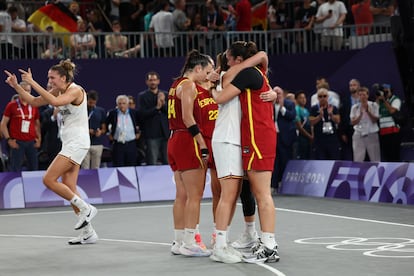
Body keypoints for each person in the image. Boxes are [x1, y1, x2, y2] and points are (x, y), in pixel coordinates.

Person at [3, 59, 98, 244]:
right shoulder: (59, 89)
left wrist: (31, 82)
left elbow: (53, 101)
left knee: (48, 179)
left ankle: (86, 209)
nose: (50, 80)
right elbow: (34, 101)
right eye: (48, 77)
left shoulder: (75, 90)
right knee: (69, 186)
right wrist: (16, 86)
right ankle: (89, 233)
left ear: (63, 77)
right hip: (70, 143)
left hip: (77, 143)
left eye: (52, 77)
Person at [212, 41, 280, 263]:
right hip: (252, 138)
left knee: (262, 194)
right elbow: (263, 60)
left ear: (239, 60)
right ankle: (259, 238)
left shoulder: (246, 74)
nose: (227, 62)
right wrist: (261, 56)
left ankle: (269, 245)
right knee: (252, 193)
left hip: (258, 138)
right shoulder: (254, 73)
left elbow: (220, 98)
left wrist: (213, 87)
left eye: (229, 59)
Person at [168, 50, 214, 257]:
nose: (209, 75)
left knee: (182, 195)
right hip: (187, 140)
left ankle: (178, 242)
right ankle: (189, 242)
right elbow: (188, 118)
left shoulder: (175, 84)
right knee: (195, 196)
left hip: (174, 140)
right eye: (208, 71)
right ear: (198, 69)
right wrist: (202, 143)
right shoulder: (188, 85)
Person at [1, 81, 41, 172]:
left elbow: (37, 124)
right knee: (15, 169)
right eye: (24, 90)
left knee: (34, 169)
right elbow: (3, 124)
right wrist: (8, 140)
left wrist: (39, 139)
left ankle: (33, 186)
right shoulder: (11, 105)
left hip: (31, 142)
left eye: (29, 91)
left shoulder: (34, 105)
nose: (27, 93)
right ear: (19, 91)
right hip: (17, 143)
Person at [137, 71, 169, 165]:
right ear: (147, 82)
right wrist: (156, 108)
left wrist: (163, 104)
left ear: (158, 81)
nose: (153, 82)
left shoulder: (165, 95)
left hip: (165, 133)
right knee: (152, 161)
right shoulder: (143, 96)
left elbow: (171, 112)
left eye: (155, 80)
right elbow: (142, 114)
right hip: (151, 135)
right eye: (150, 80)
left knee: (167, 161)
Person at [272, 88, 297, 194]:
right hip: (273, 137)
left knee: (284, 161)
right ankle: (273, 185)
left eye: (279, 93)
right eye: (275, 93)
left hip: (285, 138)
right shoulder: (269, 104)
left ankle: (283, 183)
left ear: (283, 94)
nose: (277, 95)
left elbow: (292, 116)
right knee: (274, 162)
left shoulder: (289, 104)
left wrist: (282, 108)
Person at [106, 95, 141, 167]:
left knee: (131, 165)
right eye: (120, 103)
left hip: (131, 144)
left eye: (124, 103)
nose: (122, 105)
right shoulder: (112, 113)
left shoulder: (134, 113)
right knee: (118, 166)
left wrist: (139, 133)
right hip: (118, 144)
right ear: (117, 104)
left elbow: (141, 123)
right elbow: (106, 124)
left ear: (128, 104)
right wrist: (108, 134)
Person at [309, 87, 341, 160]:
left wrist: (331, 115)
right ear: (317, 98)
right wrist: (319, 116)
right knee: (320, 159)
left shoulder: (333, 108)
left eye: (324, 96)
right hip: (319, 139)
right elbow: (311, 122)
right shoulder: (314, 109)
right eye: (320, 96)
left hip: (332, 139)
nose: (322, 98)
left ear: (328, 97)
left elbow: (338, 121)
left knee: (333, 159)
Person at [350, 86, 380, 162]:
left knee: (375, 158)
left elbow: (375, 120)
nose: (362, 97)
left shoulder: (374, 105)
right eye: (360, 95)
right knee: (358, 158)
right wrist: (360, 115)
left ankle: (377, 172)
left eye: (364, 95)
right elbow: (353, 122)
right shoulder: (355, 107)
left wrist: (368, 111)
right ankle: (358, 173)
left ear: (367, 95)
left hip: (371, 134)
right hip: (359, 134)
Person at [81, 90, 107, 169]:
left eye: (94, 103)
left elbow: (104, 128)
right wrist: (86, 131)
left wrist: (100, 132)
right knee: (85, 168)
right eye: (90, 103)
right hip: (84, 144)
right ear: (86, 100)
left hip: (97, 144)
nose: (92, 105)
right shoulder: (81, 110)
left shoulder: (100, 111)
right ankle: (86, 182)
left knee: (96, 168)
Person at [376, 83, 401, 162]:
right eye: (384, 91)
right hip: (383, 132)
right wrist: (378, 98)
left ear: (391, 91)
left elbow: (392, 111)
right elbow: (375, 111)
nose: (385, 92)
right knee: (387, 156)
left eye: (387, 91)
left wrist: (384, 100)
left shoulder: (395, 99)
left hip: (393, 131)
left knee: (394, 155)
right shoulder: (380, 101)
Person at [339, 78, 360, 161]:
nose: (352, 87)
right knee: (353, 152)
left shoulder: (364, 99)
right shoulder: (345, 101)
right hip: (350, 129)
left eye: (354, 85)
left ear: (359, 86)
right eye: (350, 85)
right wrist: (342, 132)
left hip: (364, 129)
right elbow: (342, 117)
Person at [294, 90, 313, 160]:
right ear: (296, 99)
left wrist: (312, 135)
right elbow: (299, 127)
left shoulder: (306, 110)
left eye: (304, 97)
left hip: (308, 138)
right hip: (301, 138)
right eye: (301, 98)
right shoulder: (296, 109)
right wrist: (310, 136)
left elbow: (310, 124)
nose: (303, 99)